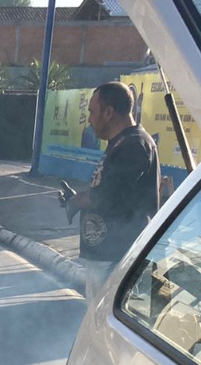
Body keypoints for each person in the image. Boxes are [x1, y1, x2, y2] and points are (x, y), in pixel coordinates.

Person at [61, 82, 161, 300]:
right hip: (104, 255)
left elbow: (106, 195)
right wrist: (75, 199)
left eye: (92, 112)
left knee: (103, 324)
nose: (89, 119)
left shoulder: (134, 144)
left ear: (108, 112)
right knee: (98, 319)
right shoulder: (120, 143)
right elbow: (108, 188)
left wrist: (77, 202)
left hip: (116, 256)